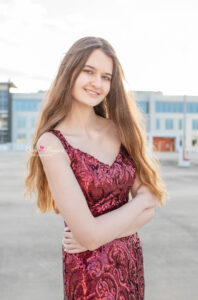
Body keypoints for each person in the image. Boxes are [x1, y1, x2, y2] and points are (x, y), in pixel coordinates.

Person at [24, 36, 168, 299]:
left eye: (106, 77)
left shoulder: (120, 130)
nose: (97, 83)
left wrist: (98, 234)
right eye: (88, 71)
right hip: (90, 276)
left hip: (130, 266)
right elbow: (90, 235)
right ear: (69, 72)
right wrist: (134, 211)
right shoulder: (51, 144)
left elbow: (151, 203)